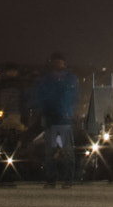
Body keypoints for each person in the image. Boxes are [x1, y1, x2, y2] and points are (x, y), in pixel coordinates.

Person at [30, 52, 80, 187]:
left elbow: (40, 98)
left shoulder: (47, 80)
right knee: (56, 151)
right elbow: (74, 97)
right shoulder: (69, 79)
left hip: (58, 119)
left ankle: (59, 179)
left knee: (57, 151)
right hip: (59, 119)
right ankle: (60, 179)